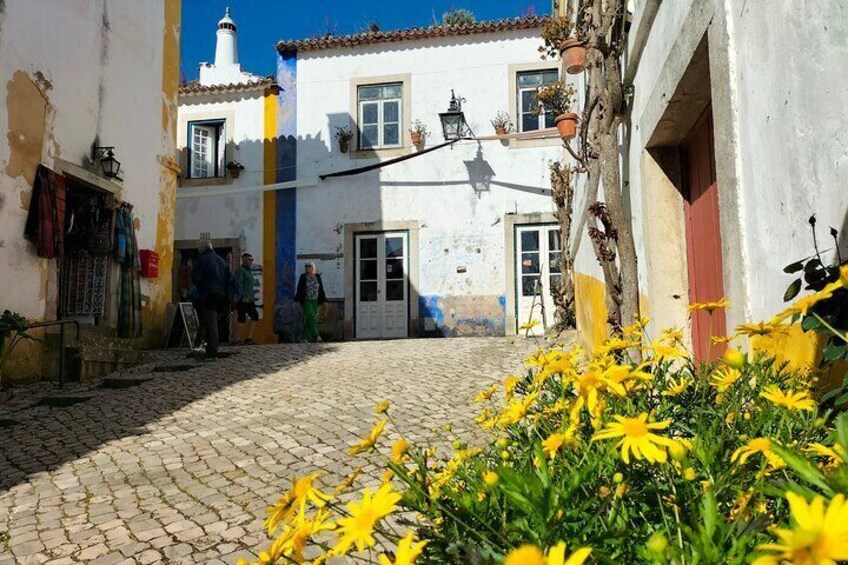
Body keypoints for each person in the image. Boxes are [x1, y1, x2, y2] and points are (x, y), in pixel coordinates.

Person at [192, 240, 231, 359]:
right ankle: (203, 345)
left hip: (209, 294)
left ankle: (212, 351)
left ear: (201, 249)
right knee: (211, 321)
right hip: (222, 296)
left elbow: (196, 277)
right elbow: (229, 278)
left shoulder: (202, 259)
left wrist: (200, 290)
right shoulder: (221, 260)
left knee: (211, 323)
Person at [294, 262, 327, 342]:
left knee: (310, 319)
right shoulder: (303, 277)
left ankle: (304, 337)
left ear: (313, 267)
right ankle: (317, 336)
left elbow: (321, 289)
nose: (307, 268)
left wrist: (324, 300)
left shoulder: (317, 277)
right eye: (306, 266)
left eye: (309, 266)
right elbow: (299, 289)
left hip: (315, 300)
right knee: (311, 317)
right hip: (306, 300)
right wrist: (296, 300)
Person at [234, 252, 259, 345]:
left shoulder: (249, 271)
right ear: (244, 260)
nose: (251, 261)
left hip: (250, 299)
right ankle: (236, 339)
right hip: (243, 299)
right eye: (249, 260)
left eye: (252, 260)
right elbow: (238, 284)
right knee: (241, 318)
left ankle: (249, 338)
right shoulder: (240, 271)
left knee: (255, 317)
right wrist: (243, 296)